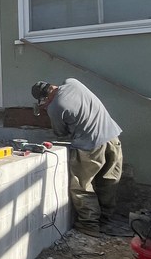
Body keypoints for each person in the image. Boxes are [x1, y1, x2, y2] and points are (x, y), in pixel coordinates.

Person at [31, 79, 122, 237]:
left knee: (82, 186)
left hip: (90, 145)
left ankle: (89, 224)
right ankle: (107, 220)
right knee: (108, 181)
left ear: (44, 99)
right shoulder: (73, 82)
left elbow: (60, 133)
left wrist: (49, 110)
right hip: (112, 138)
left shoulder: (55, 107)